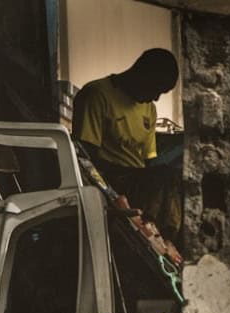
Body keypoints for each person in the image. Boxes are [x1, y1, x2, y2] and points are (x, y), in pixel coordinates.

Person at [72, 48, 182, 241]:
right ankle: (161, 236)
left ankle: (168, 240)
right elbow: (86, 158)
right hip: (111, 179)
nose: (156, 98)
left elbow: (149, 161)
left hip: (138, 181)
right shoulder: (97, 95)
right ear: (142, 74)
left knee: (176, 180)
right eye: (156, 90)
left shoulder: (149, 109)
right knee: (165, 177)